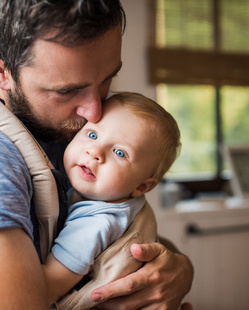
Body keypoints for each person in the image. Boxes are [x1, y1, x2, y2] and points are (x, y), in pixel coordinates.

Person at [0, 1, 193, 309]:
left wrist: (178, 267)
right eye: (67, 91)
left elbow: (116, 229)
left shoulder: (80, 139)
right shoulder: (5, 160)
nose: (94, 111)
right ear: (2, 72)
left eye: (106, 80)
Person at [42, 91, 181, 305]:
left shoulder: (96, 224)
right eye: (93, 135)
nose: (95, 151)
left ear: (142, 186)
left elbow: (47, 288)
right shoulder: (120, 201)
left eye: (120, 152)